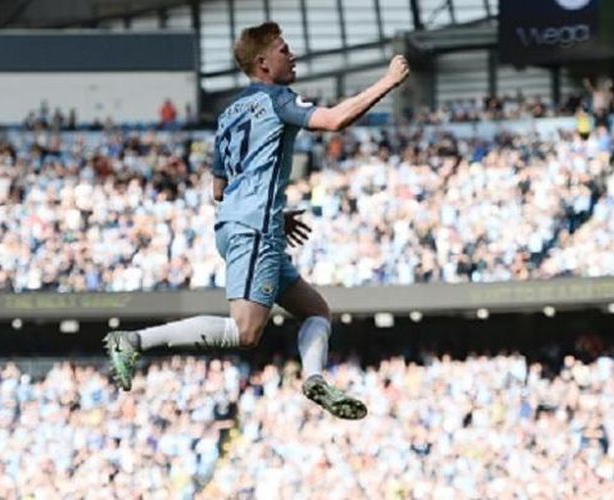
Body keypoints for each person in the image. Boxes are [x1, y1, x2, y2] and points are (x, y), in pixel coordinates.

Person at [104, 21, 409, 419]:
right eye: (284, 50)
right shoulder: (279, 99)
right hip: (254, 229)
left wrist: (270, 212)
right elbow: (333, 120)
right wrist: (388, 81)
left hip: (240, 225)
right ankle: (134, 340)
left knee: (317, 311)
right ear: (264, 63)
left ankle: (315, 379)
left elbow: (218, 187)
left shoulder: (229, 113)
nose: (292, 55)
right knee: (245, 332)